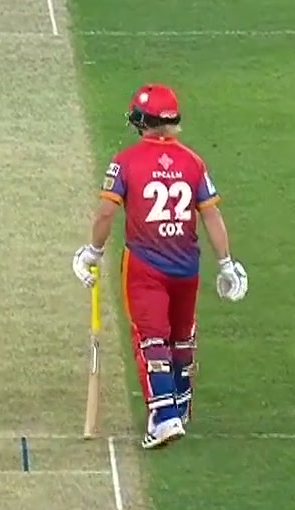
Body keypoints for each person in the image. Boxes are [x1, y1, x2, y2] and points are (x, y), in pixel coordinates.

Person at [73, 84, 249, 449]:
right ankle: (180, 405)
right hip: (187, 265)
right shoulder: (193, 162)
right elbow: (211, 214)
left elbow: (106, 213)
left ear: (141, 121)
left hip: (145, 265)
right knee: (181, 336)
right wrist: (226, 263)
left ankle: (164, 418)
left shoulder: (126, 161)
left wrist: (93, 251)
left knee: (151, 338)